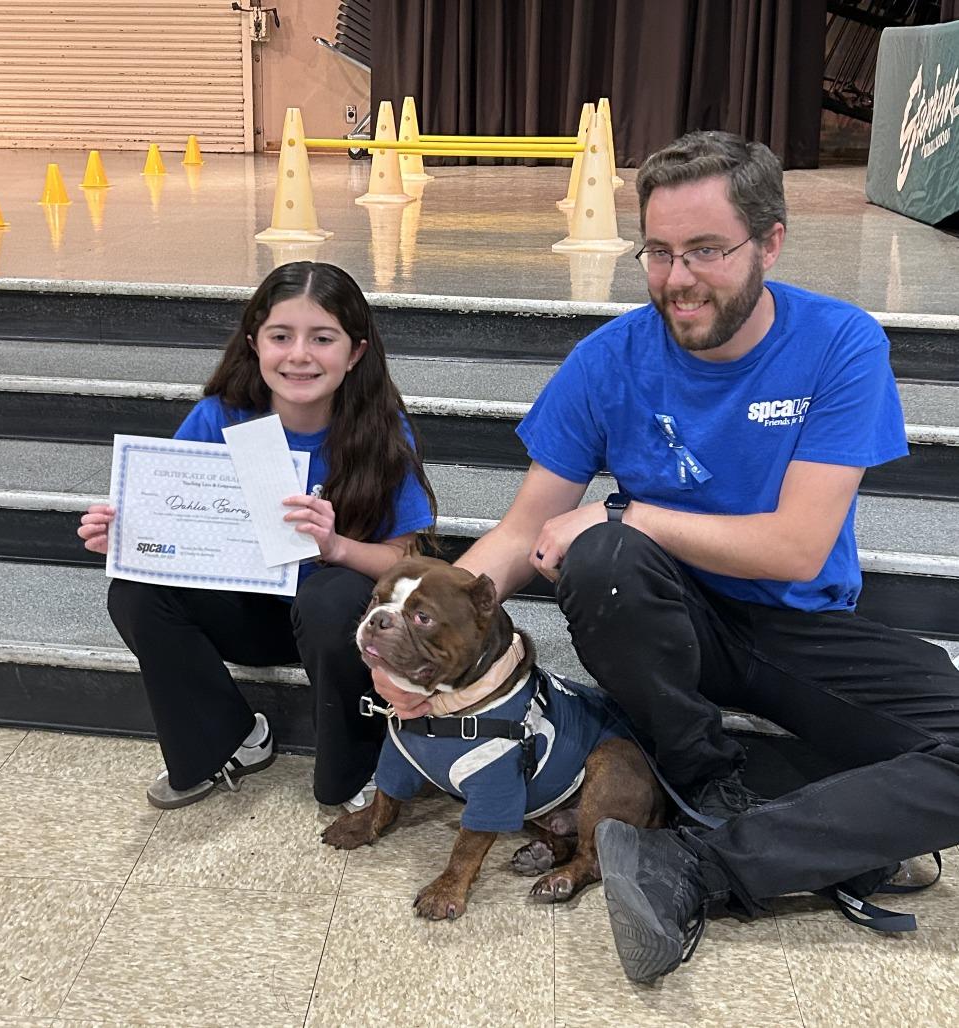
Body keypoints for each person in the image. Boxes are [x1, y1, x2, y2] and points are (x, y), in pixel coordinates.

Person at [374, 131, 959, 982]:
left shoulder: (840, 344)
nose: (677, 279)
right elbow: (520, 532)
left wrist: (628, 510)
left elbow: (796, 547)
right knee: (604, 556)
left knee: (613, 533)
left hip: (796, 626)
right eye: (658, 251)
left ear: (771, 242)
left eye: (707, 251)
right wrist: (424, 634)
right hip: (660, 629)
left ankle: (707, 860)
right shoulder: (608, 359)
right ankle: (707, 783)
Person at [78, 261, 436, 811]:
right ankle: (229, 740)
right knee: (134, 592)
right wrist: (128, 538)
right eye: (280, 336)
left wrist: (336, 547)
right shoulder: (219, 418)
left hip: (335, 624)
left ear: (355, 352)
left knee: (332, 593)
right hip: (248, 609)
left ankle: (358, 764)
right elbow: (171, 519)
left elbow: (408, 559)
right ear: (254, 343)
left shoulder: (380, 429)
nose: (299, 355)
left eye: (322, 338)